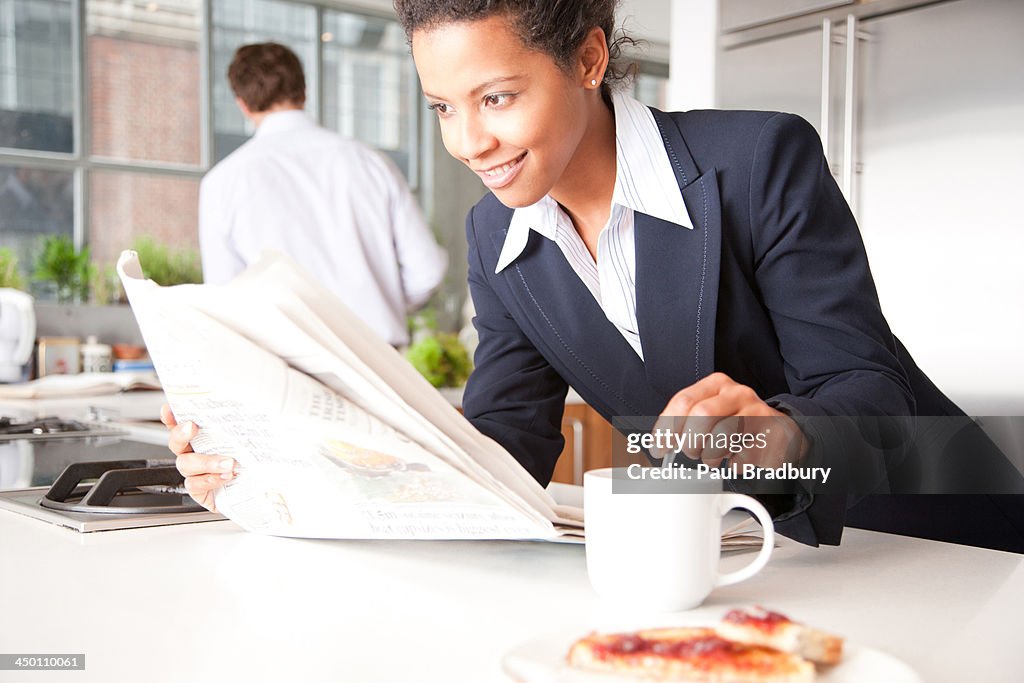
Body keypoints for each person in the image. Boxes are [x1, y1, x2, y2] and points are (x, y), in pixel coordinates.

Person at [168, 3, 1023, 550]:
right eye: (443, 107)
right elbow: (505, 441)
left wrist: (782, 436)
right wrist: (282, 461)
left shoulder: (758, 159)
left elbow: (870, 391)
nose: (468, 142)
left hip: (931, 537)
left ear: (586, 58)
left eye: (497, 97)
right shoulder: (493, 229)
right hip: (745, 565)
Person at [199, 42, 447, 348]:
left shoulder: (223, 181)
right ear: (303, 91)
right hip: (376, 355)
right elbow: (428, 269)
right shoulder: (370, 162)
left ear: (242, 104)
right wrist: (382, 302)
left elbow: (225, 296)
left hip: (283, 358)